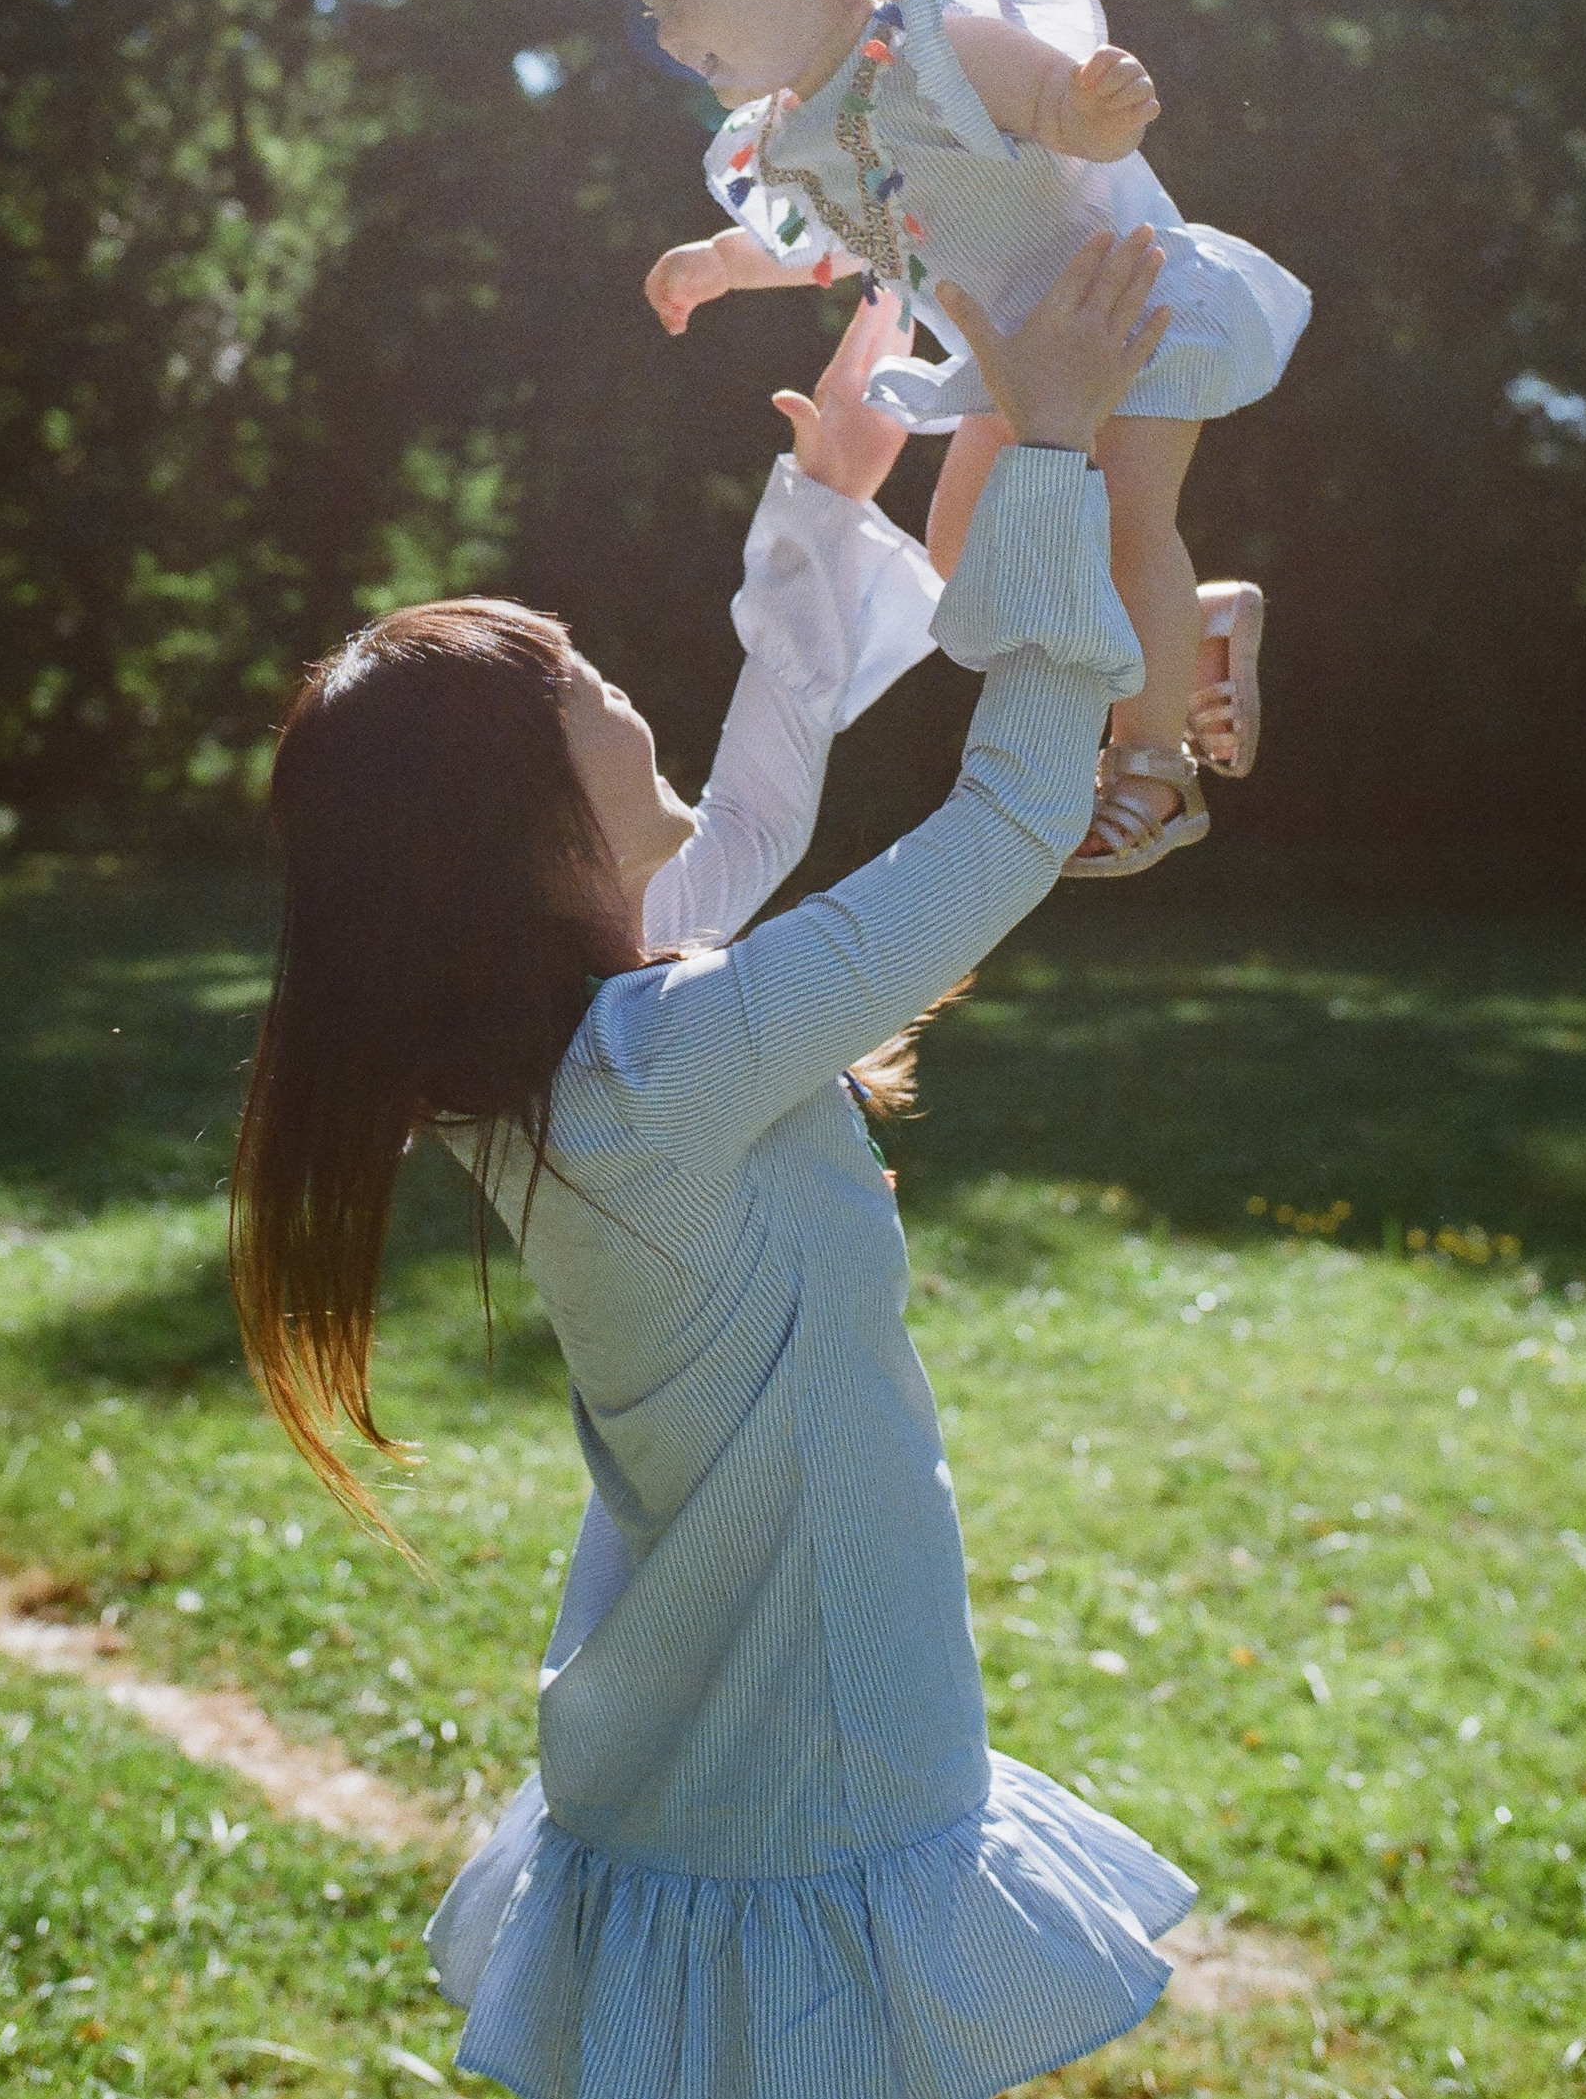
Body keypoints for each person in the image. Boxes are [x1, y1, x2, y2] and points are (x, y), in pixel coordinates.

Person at [229, 236, 1198, 2099]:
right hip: (812, 1742)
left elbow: (749, 811)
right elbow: (998, 819)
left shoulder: (553, 1052)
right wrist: (1054, 452)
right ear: (512, 822)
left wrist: (825, 502)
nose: (610, 676)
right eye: (576, 674)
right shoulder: (661, 1061)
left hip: (709, 1733)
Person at [622, 0, 1310, 878]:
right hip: (1010, 363)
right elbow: (826, 241)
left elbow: (1049, 100)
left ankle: (1149, 762)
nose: (660, 30)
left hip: (1116, 309)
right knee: (965, 565)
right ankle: (1199, 623)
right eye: (649, 5)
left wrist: (1086, 104)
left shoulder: (930, 39)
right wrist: (718, 261)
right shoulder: (792, 135)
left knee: (1127, 523)